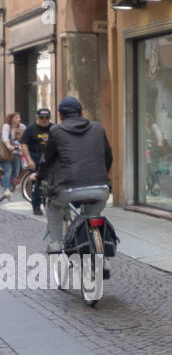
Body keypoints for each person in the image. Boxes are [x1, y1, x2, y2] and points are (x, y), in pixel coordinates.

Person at [36, 98, 112, 254]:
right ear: (81, 113)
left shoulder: (56, 131)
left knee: (52, 205)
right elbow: (109, 157)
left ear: (60, 115)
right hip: (101, 188)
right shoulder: (98, 128)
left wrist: (38, 176)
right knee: (93, 214)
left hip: (68, 188)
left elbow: (47, 160)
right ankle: (100, 255)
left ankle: (56, 242)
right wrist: (103, 177)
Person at [20, 109, 52, 214]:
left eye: (46, 117)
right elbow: (24, 144)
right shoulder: (31, 128)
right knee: (37, 182)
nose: (44, 120)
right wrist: (29, 160)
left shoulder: (54, 128)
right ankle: (36, 207)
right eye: (41, 117)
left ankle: (51, 205)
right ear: (37, 117)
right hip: (35, 156)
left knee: (52, 181)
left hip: (49, 157)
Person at [0, 112, 22, 198]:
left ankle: (9, 186)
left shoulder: (21, 127)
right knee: (8, 170)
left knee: (16, 172)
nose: (18, 119)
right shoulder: (7, 126)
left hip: (17, 153)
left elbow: (24, 137)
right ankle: (6, 189)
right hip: (6, 153)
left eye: (19, 117)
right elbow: (4, 138)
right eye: (16, 117)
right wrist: (9, 146)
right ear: (11, 118)